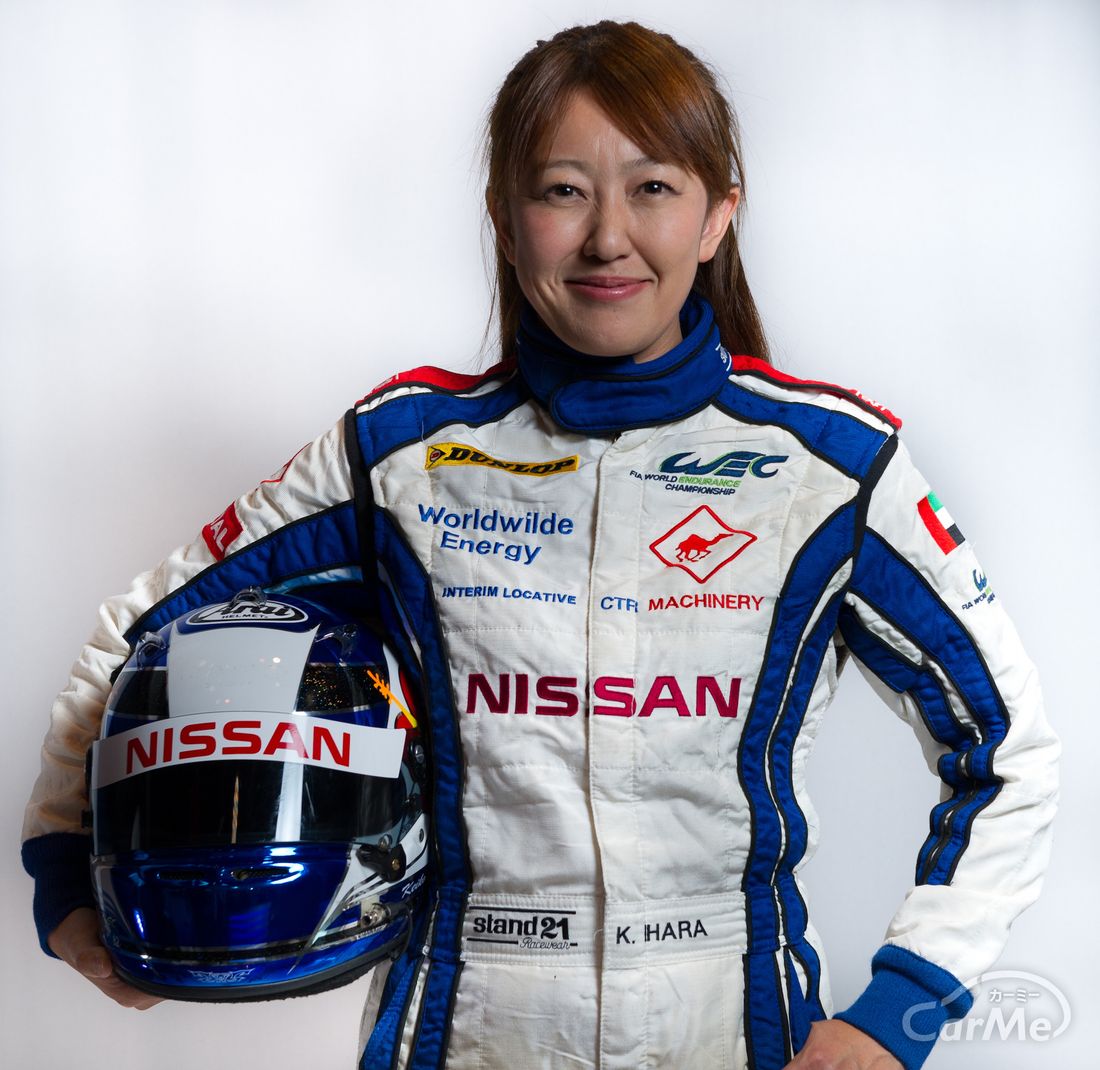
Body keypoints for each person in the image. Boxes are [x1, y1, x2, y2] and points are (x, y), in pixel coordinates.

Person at [22, 20, 1059, 1070]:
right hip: (462, 1028)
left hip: (737, 1030)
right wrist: (66, 874)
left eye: (652, 188)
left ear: (717, 216)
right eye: (563, 190)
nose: (608, 237)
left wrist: (899, 1013)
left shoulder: (830, 464)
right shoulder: (399, 455)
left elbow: (1008, 752)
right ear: (505, 222)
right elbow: (142, 632)